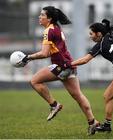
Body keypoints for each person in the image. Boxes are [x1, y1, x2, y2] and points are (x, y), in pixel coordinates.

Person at [20, 6, 98, 135]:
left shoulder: (48, 31)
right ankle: (93, 122)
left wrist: (28, 57)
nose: (39, 17)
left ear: (49, 18)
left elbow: (45, 53)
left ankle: (54, 105)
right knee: (78, 96)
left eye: (42, 15)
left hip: (61, 66)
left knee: (35, 81)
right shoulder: (56, 27)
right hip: (69, 65)